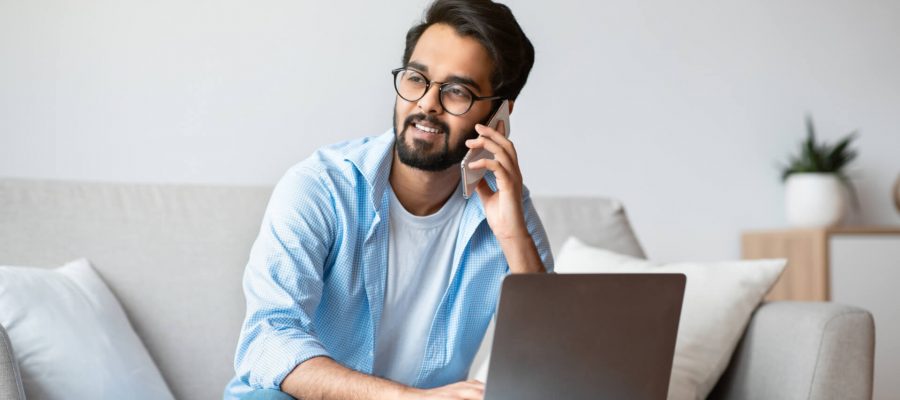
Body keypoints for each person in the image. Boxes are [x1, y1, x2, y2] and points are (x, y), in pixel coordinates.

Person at [223, 1, 552, 399]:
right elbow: (268, 340)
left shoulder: (508, 211)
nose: (427, 103)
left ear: (500, 113)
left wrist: (514, 236)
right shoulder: (320, 188)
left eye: (457, 91)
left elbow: (552, 371)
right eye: (417, 79)